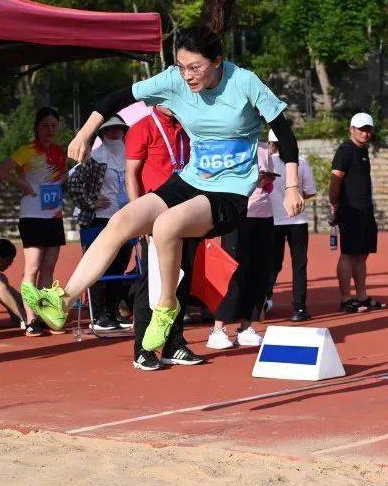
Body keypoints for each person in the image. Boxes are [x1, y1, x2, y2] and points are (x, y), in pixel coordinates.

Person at [22, 0, 304, 355]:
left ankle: (166, 307)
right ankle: (64, 301)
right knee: (125, 218)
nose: (187, 76)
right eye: (182, 67)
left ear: (217, 62)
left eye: (195, 69)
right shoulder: (174, 79)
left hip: (231, 191)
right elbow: (114, 99)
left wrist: (290, 186)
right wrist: (85, 133)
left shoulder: (244, 82)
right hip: (190, 179)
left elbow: (285, 135)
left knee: (167, 225)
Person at [125, 105, 203, 370]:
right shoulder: (142, 128)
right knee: (152, 284)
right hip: (156, 218)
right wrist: (138, 219)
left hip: (187, 216)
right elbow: (131, 175)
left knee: (181, 281)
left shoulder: (187, 127)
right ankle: (143, 350)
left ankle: (174, 345)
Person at [0, 107, 67, 336]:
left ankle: (46, 315)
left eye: (54, 125)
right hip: (32, 216)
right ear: (37, 127)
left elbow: (60, 177)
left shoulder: (60, 152)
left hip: (54, 216)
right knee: (33, 267)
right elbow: (2, 170)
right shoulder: (27, 151)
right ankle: (31, 319)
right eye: (45, 125)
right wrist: (24, 185)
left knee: (48, 268)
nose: (50, 130)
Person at [207, 142, 279, 349]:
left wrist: (267, 180)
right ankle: (218, 328)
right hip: (237, 214)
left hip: (263, 214)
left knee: (259, 271)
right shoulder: (231, 145)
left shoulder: (265, 149)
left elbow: (269, 186)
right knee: (233, 271)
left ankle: (246, 326)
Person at [68, 115, 135, 331]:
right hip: (97, 219)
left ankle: (113, 311)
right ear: (101, 134)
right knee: (98, 267)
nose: (114, 133)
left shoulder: (132, 155)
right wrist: (90, 202)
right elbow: (73, 183)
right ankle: (98, 315)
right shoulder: (93, 158)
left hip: (125, 218)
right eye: (109, 130)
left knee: (120, 265)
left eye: (118, 129)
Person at [329, 112, 385, 313]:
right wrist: (334, 203)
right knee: (348, 254)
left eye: (368, 129)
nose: (366, 133)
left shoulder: (363, 151)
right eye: (362, 129)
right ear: (351, 129)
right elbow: (335, 179)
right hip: (351, 210)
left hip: (365, 210)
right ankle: (346, 299)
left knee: (362, 254)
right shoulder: (345, 150)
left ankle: (361, 297)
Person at [264, 128, 317, 322]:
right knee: (299, 264)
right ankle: (299, 308)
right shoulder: (300, 163)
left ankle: (264, 299)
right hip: (297, 220)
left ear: (270, 144)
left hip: (272, 219)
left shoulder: (266, 163)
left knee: (271, 263)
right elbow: (310, 191)